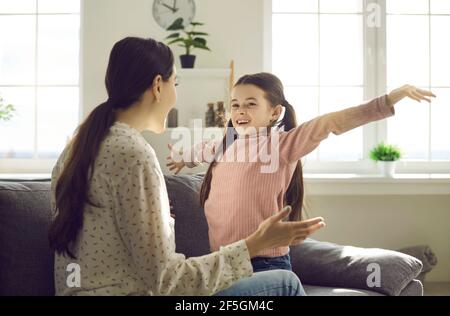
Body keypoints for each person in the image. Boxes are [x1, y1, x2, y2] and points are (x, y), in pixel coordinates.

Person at [48, 37, 326, 296]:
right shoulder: (133, 153)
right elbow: (168, 281)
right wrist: (255, 243)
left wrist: (160, 220)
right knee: (286, 283)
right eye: (175, 84)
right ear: (158, 86)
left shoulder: (77, 147)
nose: (175, 96)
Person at [167, 72, 436, 273]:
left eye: (250, 104)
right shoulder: (224, 145)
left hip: (264, 262)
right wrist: (181, 158)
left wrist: (387, 100)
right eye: (235, 104)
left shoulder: (282, 144)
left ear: (275, 112)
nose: (240, 111)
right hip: (223, 260)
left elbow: (330, 122)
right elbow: (198, 151)